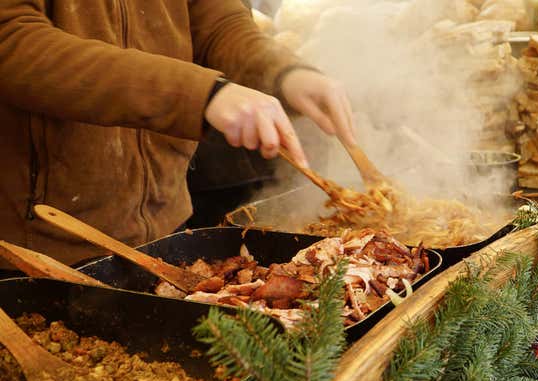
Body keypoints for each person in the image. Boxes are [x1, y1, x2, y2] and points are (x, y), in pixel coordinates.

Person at [0, 0, 355, 271]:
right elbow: (11, 37)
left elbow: (217, 21)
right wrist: (196, 93)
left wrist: (282, 73)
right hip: (38, 246)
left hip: (167, 225)